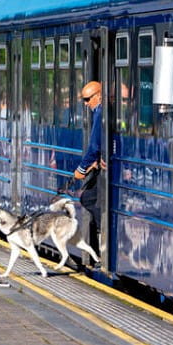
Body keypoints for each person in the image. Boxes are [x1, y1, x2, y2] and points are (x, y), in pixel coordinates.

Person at [73, 80, 104, 254]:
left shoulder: (100, 113)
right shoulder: (99, 111)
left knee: (89, 198)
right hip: (100, 164)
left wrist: (82, 169)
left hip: (102, 167)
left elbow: (94, 146)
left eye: (87, 99)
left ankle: (102, 234)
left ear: (99, 95)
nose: (86, 104)